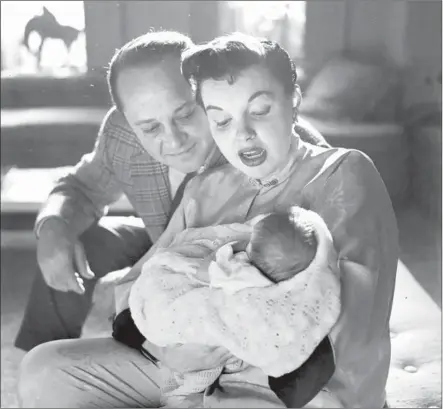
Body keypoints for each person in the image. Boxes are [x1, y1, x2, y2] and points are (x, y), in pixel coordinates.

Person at [17, 31, 333, 408]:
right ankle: (62, 359)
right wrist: (53, 226)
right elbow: (80, 189)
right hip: (165, 247)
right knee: (80, 243)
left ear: (209, 94)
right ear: (127, 120)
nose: (174, 139)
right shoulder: (123, 134)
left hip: (233, 276)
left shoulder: (270, 145)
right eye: (149, 128)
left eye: (185, 114)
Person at [124, 32, 399, 408]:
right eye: (221, 121)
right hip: (190, 369)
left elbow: (344, 322)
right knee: (48, 368)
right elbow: (145, 280)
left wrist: (210, 340)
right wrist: (167, 349)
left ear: (294, 100)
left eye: (259, 111)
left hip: (304, 394)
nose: (243, 135)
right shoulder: (203, 188)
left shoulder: (344, 172)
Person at [128, 206, 341, 408]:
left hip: (197, 346)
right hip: (214, 357)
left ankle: (178, 396)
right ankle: (179, 394)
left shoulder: (236, 269)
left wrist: (221, 253)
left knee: (191, 377)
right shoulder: (278, 285)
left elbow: (205, 271)